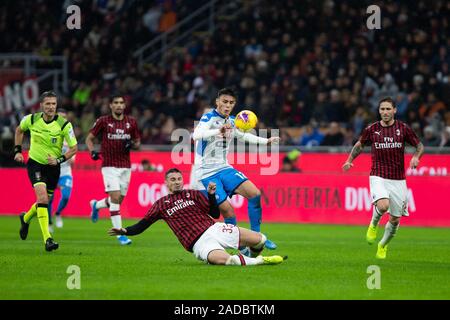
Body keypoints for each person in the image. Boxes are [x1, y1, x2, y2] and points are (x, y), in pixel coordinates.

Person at [108, 168, 286, 266]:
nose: (177, 181)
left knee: (260, 240)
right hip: (198, 242)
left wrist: (210, 196)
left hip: (215, 229)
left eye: (179, 178)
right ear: (166, 182)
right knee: (225, 260)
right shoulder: (161, 204)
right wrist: (124, 231)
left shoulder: (193, 194)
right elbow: (141, 226)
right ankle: (259, 262)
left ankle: (252, 256)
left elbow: (215, 214)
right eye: (172, 179)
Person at [192, 87, 280, 252]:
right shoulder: (209, 117)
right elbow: (196, 135)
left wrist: (266, 141)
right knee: (228, 211)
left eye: (231, 103)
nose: (227, 105)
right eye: (224, 102)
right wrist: (218, 130)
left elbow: (244, 136)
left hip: (224, 167)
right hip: (205, 172)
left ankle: (256, 237)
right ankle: (240, 246)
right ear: (217, 102)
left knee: (254, 194)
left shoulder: (233, 121)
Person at [342, 97, 424, 259]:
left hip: (398, 179)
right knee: (383, 205)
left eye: (388, 109)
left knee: (395, 219)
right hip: (378, 175)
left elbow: (419, 145)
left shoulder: (403, 128)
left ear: (394, 110)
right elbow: (360, 145)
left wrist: (416, 157)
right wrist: (349, 160)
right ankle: (373, 224)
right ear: (379, 111)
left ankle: (382, 245)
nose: (385, 112)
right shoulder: (372, 129)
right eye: (382, 109)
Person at [14, 91, 78, 251]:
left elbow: (74, 148)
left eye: (53, 104)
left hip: (53, 168)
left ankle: (26, 218)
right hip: (35, 164)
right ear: (41, 105)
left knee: (44, 202)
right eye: (48, 104)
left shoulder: (64, 124)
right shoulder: (31, 119)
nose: (50, 107)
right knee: (42, 197)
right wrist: (17, 151)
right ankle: (48, 239)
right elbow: (19, 131)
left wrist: (59, 160)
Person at [85, 94, 140, 245]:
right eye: (115, 103)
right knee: (115, 198)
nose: (118, 105)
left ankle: (96, 205)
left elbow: (137, 141)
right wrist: (92, 151)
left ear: (124, 105)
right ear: (110, 105)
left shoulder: (131, 122)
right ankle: (120, 234)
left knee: (118, 200)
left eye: (121, 103)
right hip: (109, 165)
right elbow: (89, 138)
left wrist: (132, 145)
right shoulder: (103, 121)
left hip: (125, 166)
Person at [48, 109, 75, 231]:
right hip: (51, 171)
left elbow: (74, 152)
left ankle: (58, 213)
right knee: (49, 198)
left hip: (65, 172)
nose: (63, 119)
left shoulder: (69, 133)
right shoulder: (49, 131)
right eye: (61, 116)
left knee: (65, 196)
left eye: (65, 117)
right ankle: (49, 222)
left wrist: (72, 158)